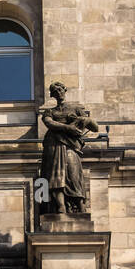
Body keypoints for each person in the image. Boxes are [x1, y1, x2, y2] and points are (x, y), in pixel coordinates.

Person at [40, 82, 98, 214]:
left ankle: (80, 205)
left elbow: (95, 127)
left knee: (73, 173)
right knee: (55, 175)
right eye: (55, 91)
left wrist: (84, 120)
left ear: (64, 90)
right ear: (52, 95)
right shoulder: (50, 111)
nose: (58, 92)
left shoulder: (75, 109)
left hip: (70, 145)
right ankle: (60, 206)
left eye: (60, 89)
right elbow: (49, 122)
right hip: (54, 144)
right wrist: (67, 127)